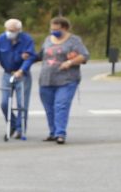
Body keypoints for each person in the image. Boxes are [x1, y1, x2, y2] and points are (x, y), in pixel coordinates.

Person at [0, 17, 35, 141]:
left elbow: (30, 57)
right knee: (4, 103)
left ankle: (20, 130)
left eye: (13, 30)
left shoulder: (27, 39)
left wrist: (22, 70)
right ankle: (13, 124)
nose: (10, 32)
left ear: (19, 30)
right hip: (7, 74)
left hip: (22, 75)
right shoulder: (1, 39)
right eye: (8, 29)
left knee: (22, 104)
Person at [38, 16, 88, 144]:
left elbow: (84, 56)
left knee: (60, 106)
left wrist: (70, 62)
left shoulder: (74, 40)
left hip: (66, 79)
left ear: (65, 28)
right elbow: (41, 55)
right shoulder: (48, 39)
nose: (53, 31)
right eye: (52, 28)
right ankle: (53, 132)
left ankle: (60, 133)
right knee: (49, 108)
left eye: (57, 29)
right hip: (46, 79)